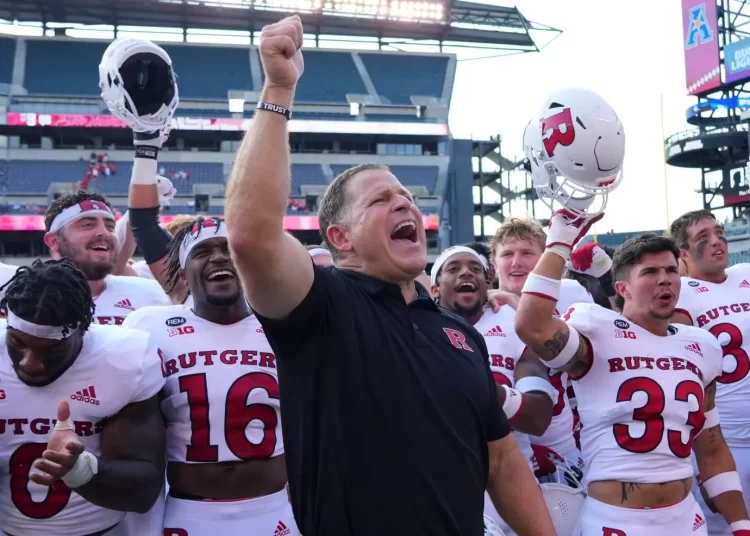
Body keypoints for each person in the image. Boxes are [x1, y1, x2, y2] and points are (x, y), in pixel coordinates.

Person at [225, 15, 554, 536]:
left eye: (406, 196)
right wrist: (278, 89)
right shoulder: (321, 307)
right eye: (381, 199)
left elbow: (500, 459)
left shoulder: (461, 335)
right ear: (340, 239)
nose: (404, 201)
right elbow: (250, 237)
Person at [515, 222, 749, 535]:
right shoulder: (597, 331)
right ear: (623, 288)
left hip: (685, 519)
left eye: (670, 270)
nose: (665, 279)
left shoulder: (702, 346)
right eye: (650, 272)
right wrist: (561, 237)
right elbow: (532, 326)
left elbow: (711, 447)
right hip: (617, 521)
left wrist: (740, 524)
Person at [122, 216, 296, 535]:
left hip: (273, 509)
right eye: (202, 252)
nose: (218, 257)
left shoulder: (283, 325)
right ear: (183, 273)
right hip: (190, 512)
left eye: (228, 249)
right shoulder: (151, 327)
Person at [0, 259, 166, 536]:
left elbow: (143, 492)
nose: (31, 364)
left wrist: (79, 469)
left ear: (83, 329)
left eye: (52, 350)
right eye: (17, 343)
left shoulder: (121, 360)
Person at [430, 245, 556, 535]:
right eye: (453, 268)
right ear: (434, 289)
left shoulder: (513, 324)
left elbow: (537, 418)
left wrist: (485, 389)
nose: (466, 273)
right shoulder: (417, 329)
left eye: (475, 269)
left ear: (488, 283)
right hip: (445, 482)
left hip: (512, 478)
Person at [670, 209, 750, 535]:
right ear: (684, 254)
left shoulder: (746, 273)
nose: (717, 241)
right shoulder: (679, 292)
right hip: (722, 442)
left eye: (719, 232)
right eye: (704, 238)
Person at [490, 218, 590, 470]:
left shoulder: (571, 293)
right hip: (504, 452)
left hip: (565, 447)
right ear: (494, 264)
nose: (516, 262)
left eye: (526, 253)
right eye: (507, 254)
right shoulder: (479, 308)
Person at [43, 191, 171, 325]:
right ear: (53, 241)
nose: (104, 233)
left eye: (110, 227)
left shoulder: (149, 295)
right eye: (87, 225)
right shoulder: (29, 299)